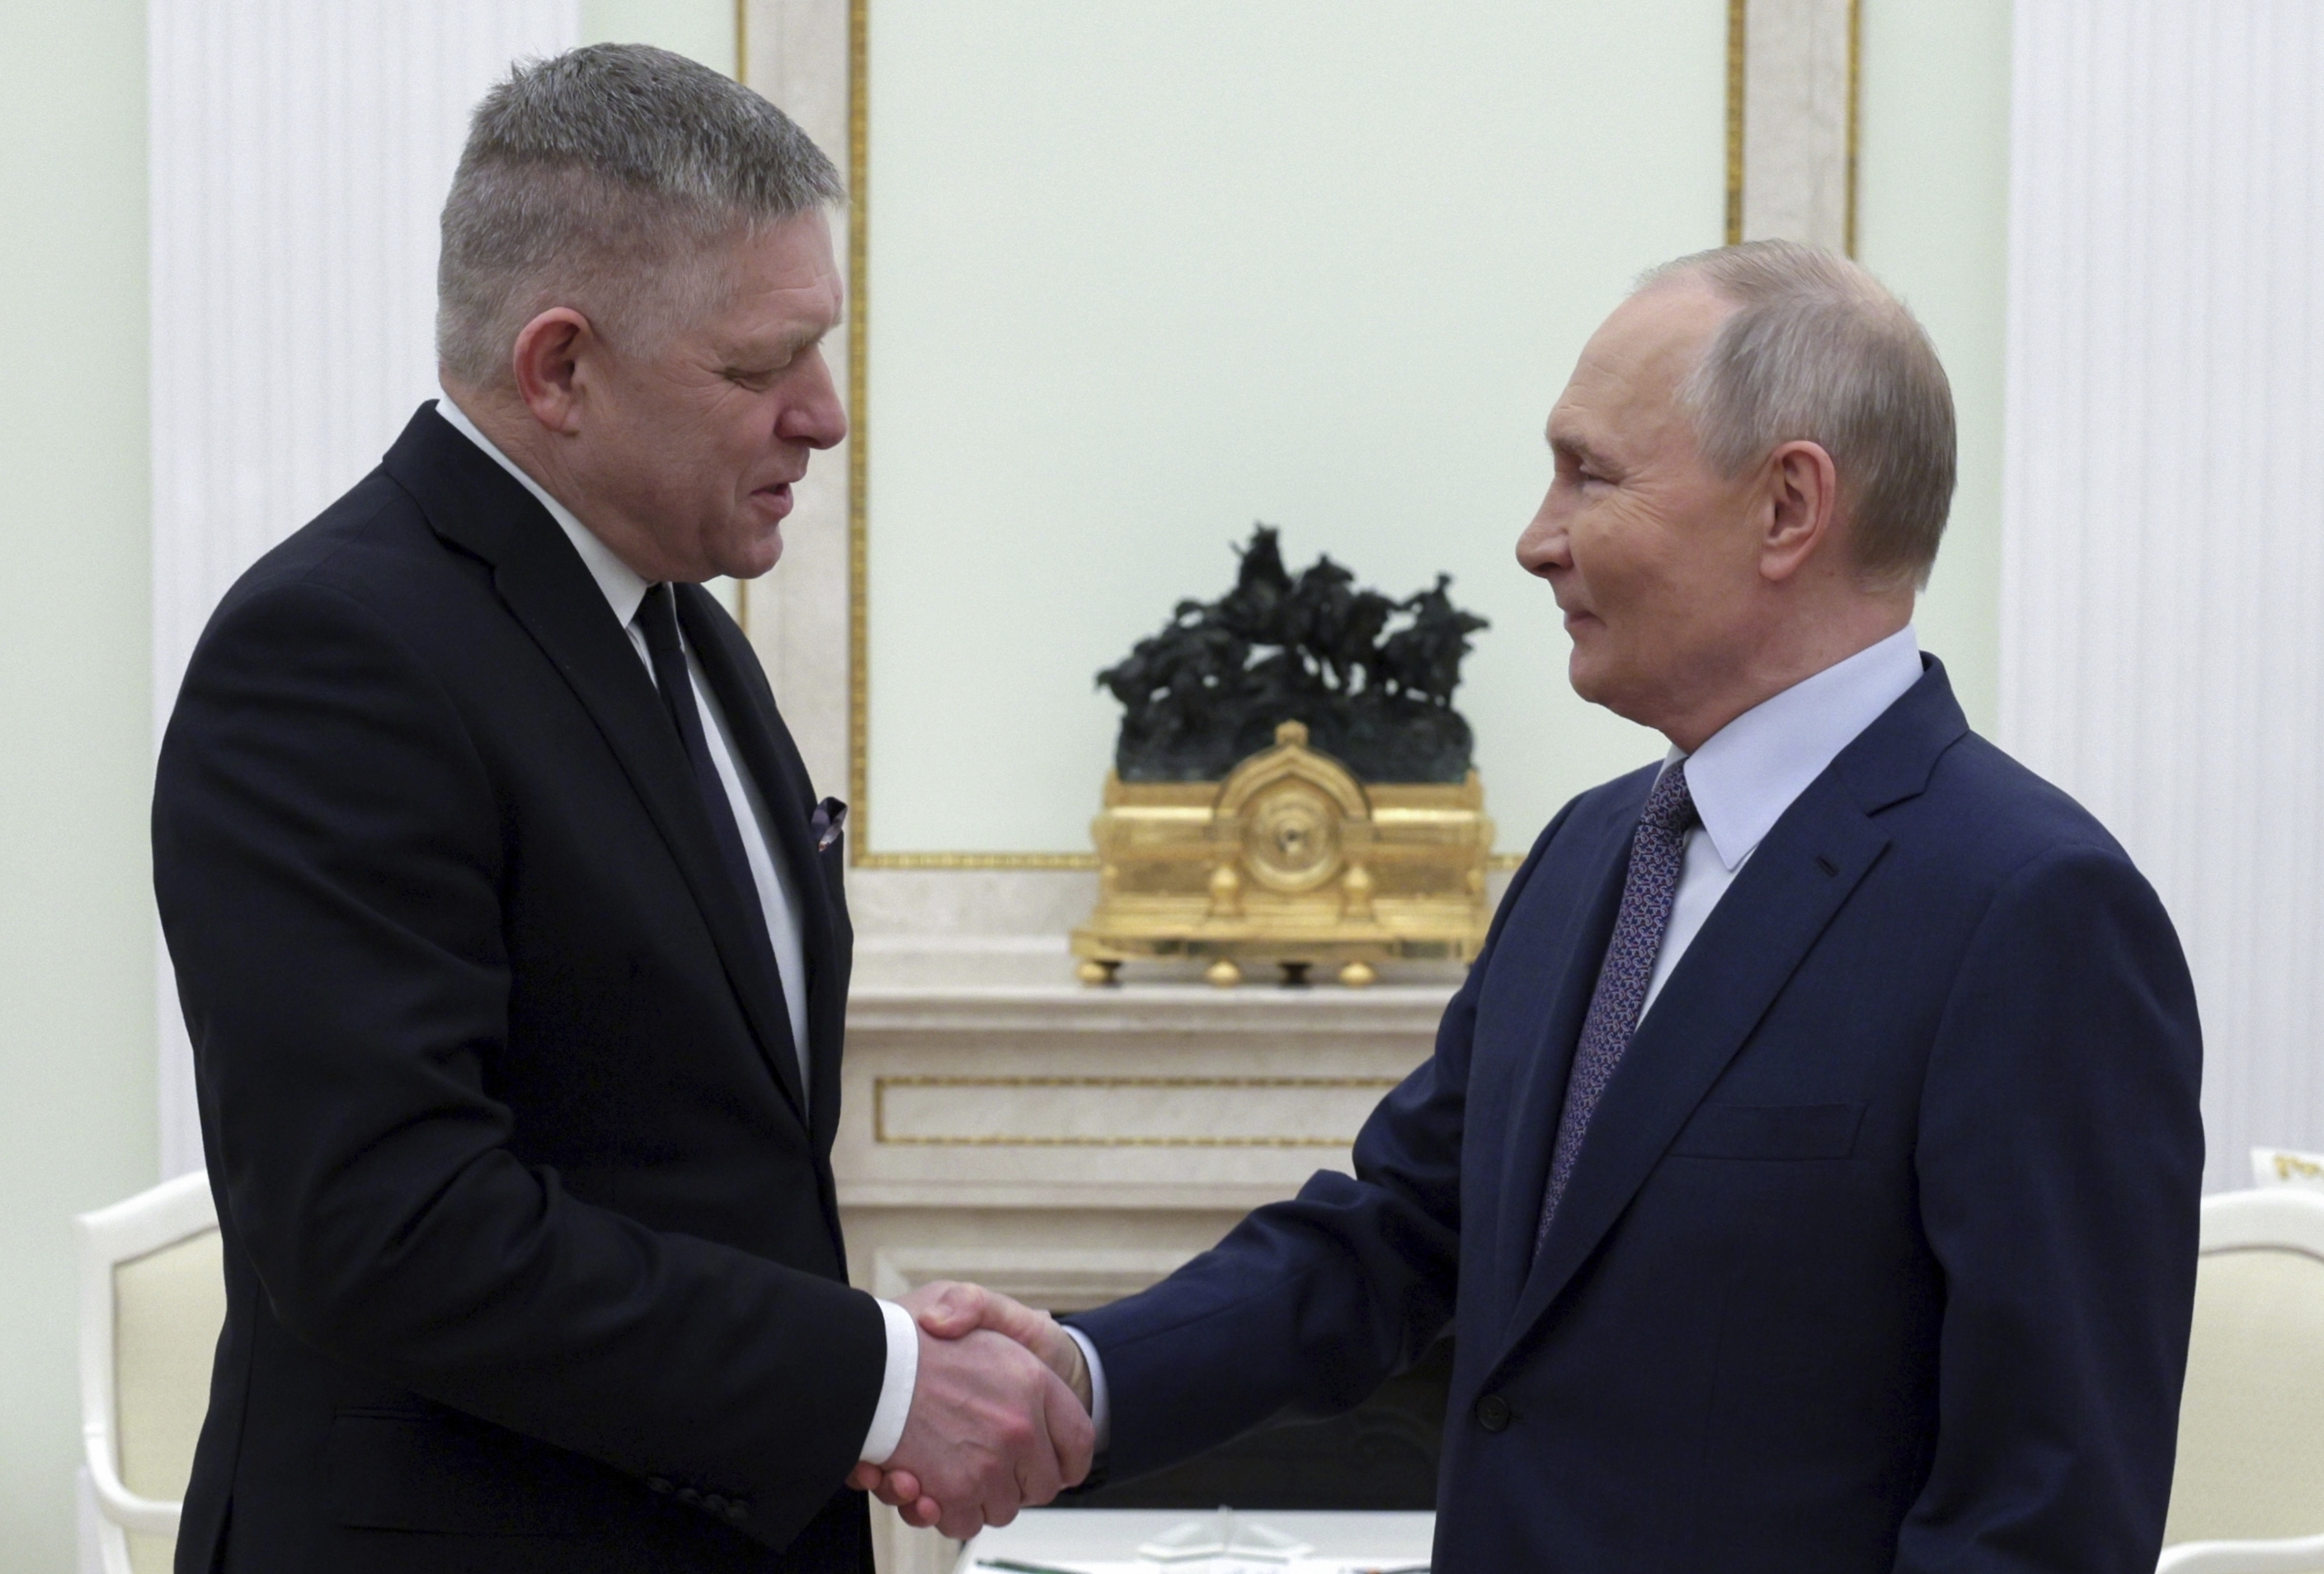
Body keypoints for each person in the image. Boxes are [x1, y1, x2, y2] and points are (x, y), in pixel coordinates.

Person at [884, 242, 2206, 1569]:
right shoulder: (1591, 853)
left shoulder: (2032, 911)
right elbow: (1398, 1236)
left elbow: (2044, 1518)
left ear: (1787, 507)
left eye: (1591, 474)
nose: (1535, 538)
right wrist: (1082, 1365)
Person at [153, 45, 1089, 1574]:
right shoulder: (334, 651)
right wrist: (879, 1380)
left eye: (823, 351)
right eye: (757, 367)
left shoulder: (683, 625)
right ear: (560, 368)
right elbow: (386, 1226)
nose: (826, 416)